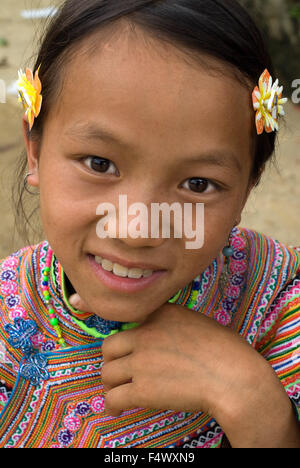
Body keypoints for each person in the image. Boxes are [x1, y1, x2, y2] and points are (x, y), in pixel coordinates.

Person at [0, 0, 299, 448]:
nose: (137, 230)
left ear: (248, 186)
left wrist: (251, 400)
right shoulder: (7, 323)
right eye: (99, 163)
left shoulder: (279, 300)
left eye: (198, 184)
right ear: (35, 147)